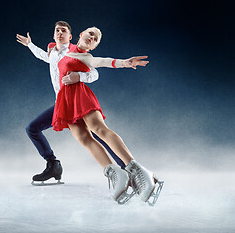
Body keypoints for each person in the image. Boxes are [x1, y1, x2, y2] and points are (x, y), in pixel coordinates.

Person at [52, 26, 163, 205]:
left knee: (99, 129)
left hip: (80, 95)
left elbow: (102, 62)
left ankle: (138, 171)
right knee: (83, 138)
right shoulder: (65, 49)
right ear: (81, 34)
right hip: (65, 100)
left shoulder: (87, 57)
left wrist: (124, 62)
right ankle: (115, 173)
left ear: (94, 46)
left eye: (96, 39)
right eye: (91, 34)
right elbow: (52, 48)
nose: (92, 38)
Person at [16, 21, 125, 185]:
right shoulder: (52, 53)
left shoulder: (75, 52)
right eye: (57, 31)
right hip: (61, 104)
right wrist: (30, 44)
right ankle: (53, 165)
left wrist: (79, 77)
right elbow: (43, 56)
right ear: (54, 35)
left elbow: (95, 73)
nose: (60, 33)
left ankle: (125, 168)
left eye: (64, 31)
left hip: (76, 101)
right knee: (32, 128)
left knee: (97, 134)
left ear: (71, 36)